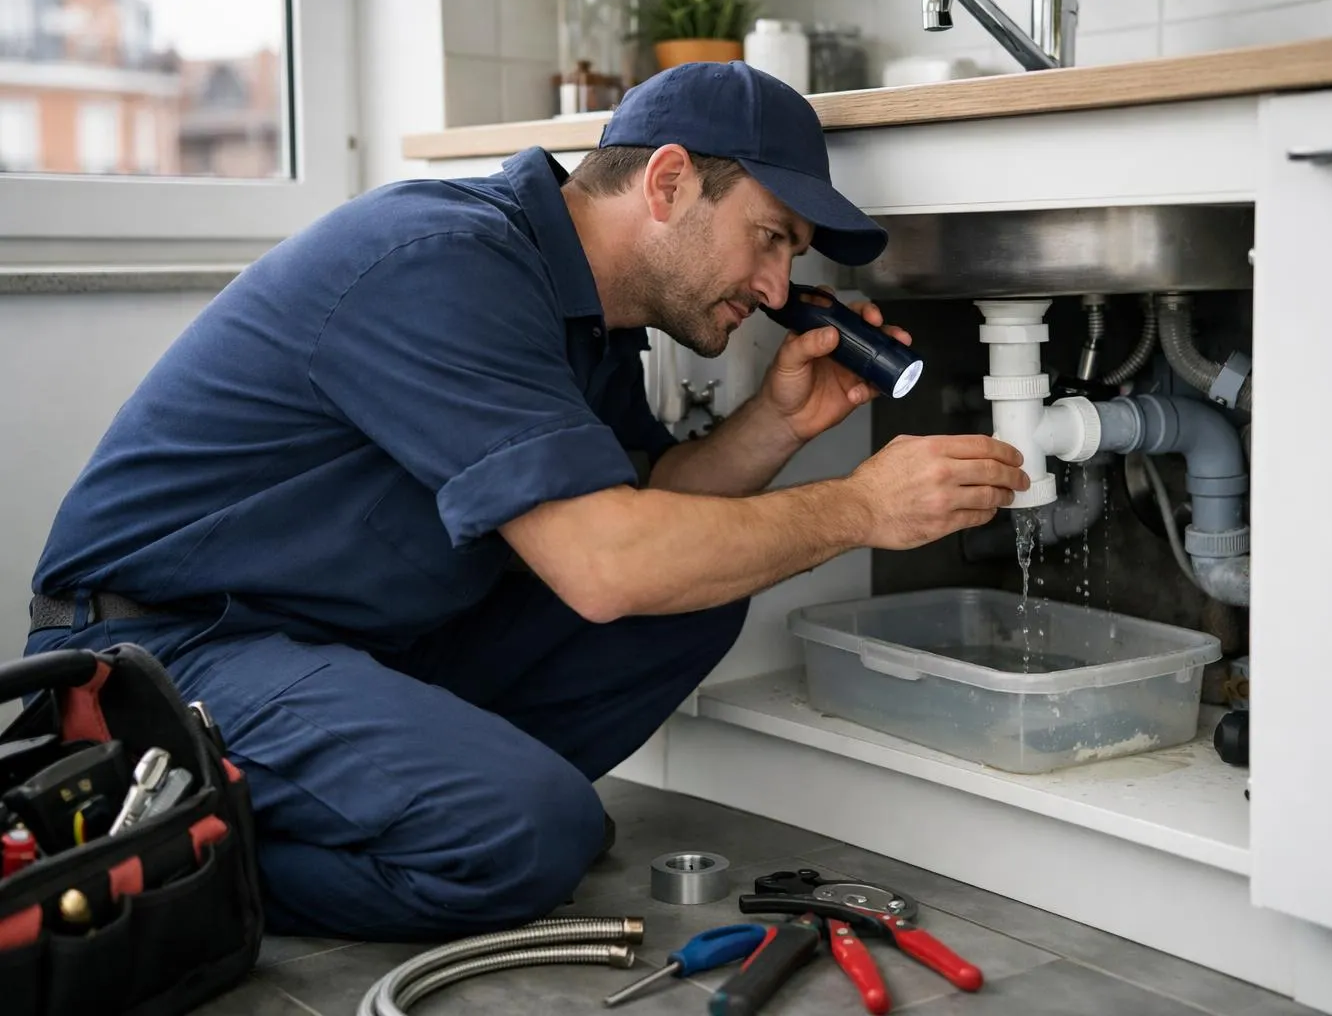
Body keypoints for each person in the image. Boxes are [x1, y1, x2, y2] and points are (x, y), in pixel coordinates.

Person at [23, 61, 1027, 941]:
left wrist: (776, 424)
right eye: (770, 238)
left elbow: (643, 512)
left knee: (693, 594)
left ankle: (459, 809)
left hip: (342, 644)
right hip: (163, 658)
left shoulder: (593, 319)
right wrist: (857, 508)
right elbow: (608, 564)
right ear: (670, 181)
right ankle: (149, 856)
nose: (775, 289)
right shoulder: (445, 263)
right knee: (529, 834)